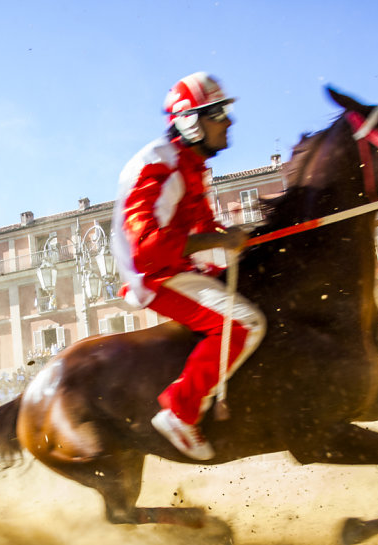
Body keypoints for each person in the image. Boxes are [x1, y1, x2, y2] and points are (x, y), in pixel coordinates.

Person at [111, 72, 265, 460]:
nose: (229, 121)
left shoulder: (189, 165)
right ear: (191, 122)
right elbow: (146, 249)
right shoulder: (161, 165)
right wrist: (218, 240)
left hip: (179, 266)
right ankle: (180, 411)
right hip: (155, 276)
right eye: (218, 113)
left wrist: (231, 235)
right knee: (245, 323)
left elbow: (198, 226)